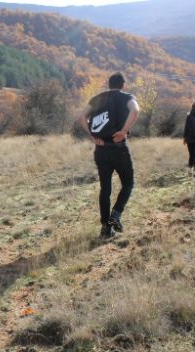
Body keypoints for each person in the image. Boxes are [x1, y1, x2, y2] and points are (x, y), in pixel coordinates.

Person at [78, 72, 140, 239]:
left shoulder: (98, 98)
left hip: (100, 149)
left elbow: (81, 116)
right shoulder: (126, 97)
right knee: (128, 183)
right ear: (122, 85)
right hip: (119, 148)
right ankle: (116, 215)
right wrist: (124, 131)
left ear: (109, 84)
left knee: (105, 189)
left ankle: (105, 228)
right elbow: (135, 111)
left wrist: (92, 136)